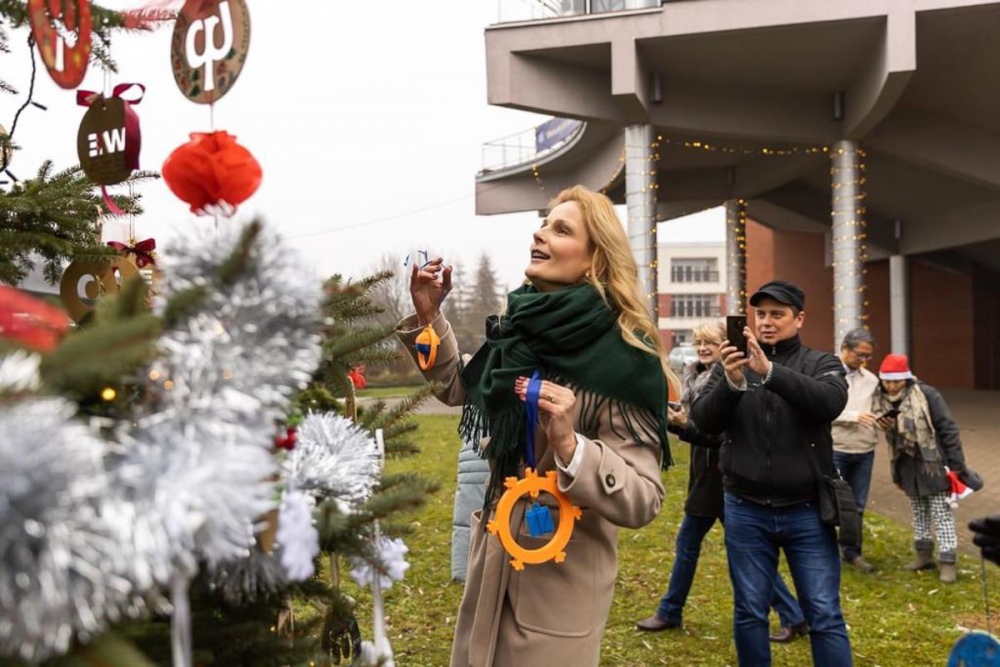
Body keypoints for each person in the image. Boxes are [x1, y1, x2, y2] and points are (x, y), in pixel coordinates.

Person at [397, 185, 675, 666]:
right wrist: (429, 317)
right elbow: (459, 389)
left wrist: (572, 447)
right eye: (543, 224)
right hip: (493, 562)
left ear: (594, 259)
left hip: (558, 584)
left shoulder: (626, 360)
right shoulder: (519, 330)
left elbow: (643, 499)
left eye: (561, 229)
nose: (540, 234)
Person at [690, 280, 852, 667]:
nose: (766, 322)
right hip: (745, 508)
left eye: (777, 314)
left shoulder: (822, 363)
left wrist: (770, 373)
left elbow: (829, 402)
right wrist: (731, 383)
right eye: (760, 314)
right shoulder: (732, 365)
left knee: (824, 613)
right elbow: (704, 420)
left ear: (799, 319)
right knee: (749, 610)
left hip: (806, 509)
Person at [636, 320, 807, 643]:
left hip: (724, 477)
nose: (703, 348)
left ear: (725, 346)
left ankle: (670, 610)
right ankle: (793, 614)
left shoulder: (733, 379)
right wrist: (677, 420)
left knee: (698, 546)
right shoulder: (695, 376)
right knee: (727, 550)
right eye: (699, 343)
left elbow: (721, 435)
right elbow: (697, 425)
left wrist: (684, 423)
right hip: (705, 475)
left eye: (710, 343)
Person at [872, 353, 967, 584]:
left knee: (941, 513)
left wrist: (957, 465)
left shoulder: (926, 394)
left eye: (896, 381)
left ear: (906, 378)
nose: (891, 386)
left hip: (933, 462)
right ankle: (924, 555)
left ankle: (948, 561)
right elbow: (892, 439)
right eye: (887, 381)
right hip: (906, 462)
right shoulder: (881, 398)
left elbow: (947, 428)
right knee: (918, 511)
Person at [831, 328, 880, 573]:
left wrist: (882, 420)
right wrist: (853, 416)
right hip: (836, 447)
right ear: (844, 349)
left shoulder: (871, 380)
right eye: (860, 354)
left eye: (868, 356)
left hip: (864, 449)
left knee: (858, 505)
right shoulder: (827, 373)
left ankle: (853, 552)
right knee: (832, 504)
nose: (864, 360)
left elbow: (875, 409)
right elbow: (820, 408)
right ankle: (827, 551)